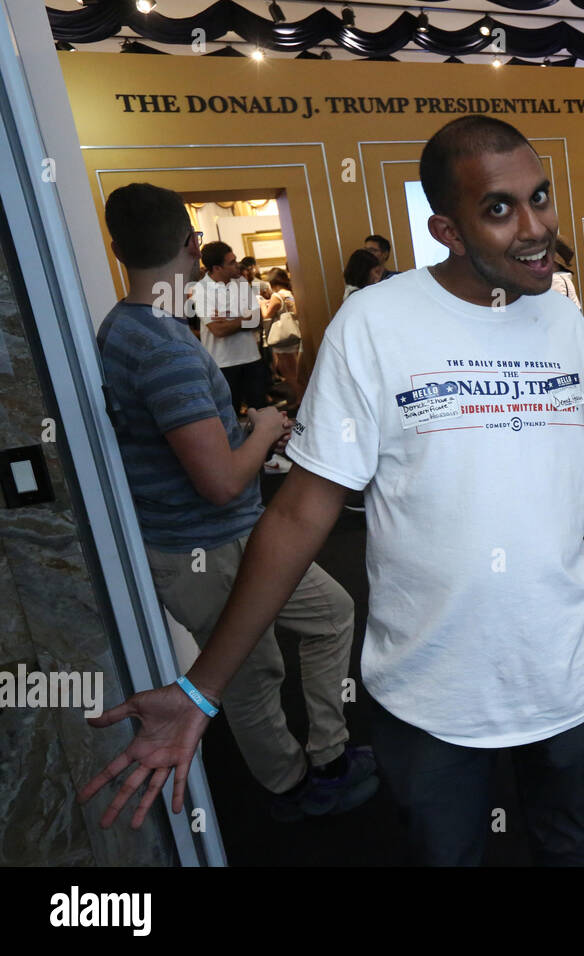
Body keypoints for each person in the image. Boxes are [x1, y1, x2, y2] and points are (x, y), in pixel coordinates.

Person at [80, 119, 584, 867]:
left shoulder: (562, 316)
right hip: (431, 692)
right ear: (445, 228)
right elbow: (298, 514)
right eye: (500, 208)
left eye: (539, 197)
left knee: (572, 842)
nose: (536, 226)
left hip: (571, 672)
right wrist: (201, 690)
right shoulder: (375, 324)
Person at [89, 182, 377, 827]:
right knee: (250, 673)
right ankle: (289, 784)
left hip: (235, 532)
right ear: (193, 246)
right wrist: (268, 431)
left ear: (117, 247)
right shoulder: (162, 345)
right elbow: (218, 483)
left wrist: (241, 437)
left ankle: (326, 753)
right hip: (205, 542)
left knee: (331, 614)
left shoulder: (125, 326)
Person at [192, 241, 266, 416]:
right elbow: (218, 331)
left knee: (261, 412)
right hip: (222, 363)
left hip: (251, 358)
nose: (237, 265)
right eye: (231, 262)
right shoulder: (201, 290)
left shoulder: (241, 282)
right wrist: (243, 320)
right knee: (229, 414)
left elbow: (257, 320)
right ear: (217, 268)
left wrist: (230, 321)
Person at [262, 267, 301, 413]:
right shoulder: (289, 293)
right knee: (295, 370)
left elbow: (266, 315)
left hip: (282, 339)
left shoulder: (277, 296)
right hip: (292, 335)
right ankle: (300, 397)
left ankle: (300, 399)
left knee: (288, 372)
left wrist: (261, 304)